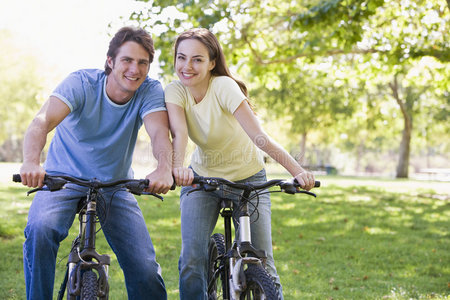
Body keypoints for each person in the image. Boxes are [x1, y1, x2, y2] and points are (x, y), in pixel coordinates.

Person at [19, 26, 172, 299]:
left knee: (145, 269)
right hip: (62, 180)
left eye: (142, 63)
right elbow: (41, 122)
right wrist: (31, 161)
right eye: (127, 60)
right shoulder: (81, 83)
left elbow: (159, 133)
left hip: (115, 185)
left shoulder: (149, 90)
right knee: (40, 230)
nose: (134, 69)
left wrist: (163, 168)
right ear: (111, 61)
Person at [164, 28, 316, 300]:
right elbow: (181, 134)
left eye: (197, 59)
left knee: (263, 261)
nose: (187, 66)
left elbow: (259, 137)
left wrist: (299, 172)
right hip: (203, 181)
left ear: (212, 63)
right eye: (181, 57)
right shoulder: (175, 91)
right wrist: (178, 167)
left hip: (249, 179)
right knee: (192, 260)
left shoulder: (223, 86)